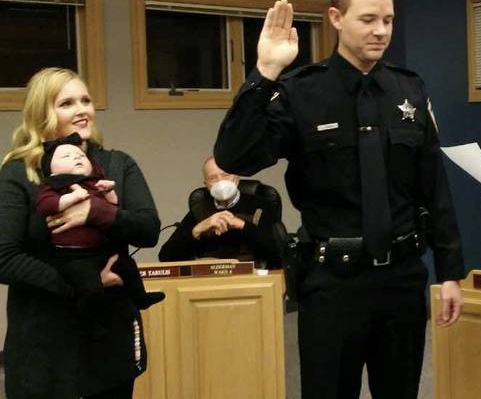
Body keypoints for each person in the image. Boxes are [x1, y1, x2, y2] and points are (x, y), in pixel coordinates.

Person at [214, 0, 465, 399]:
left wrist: (450, 272)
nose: (381, 31)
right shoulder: (300, 91)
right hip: (332, 283)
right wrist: (265, 73)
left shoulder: (409, 89)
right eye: (368, 19)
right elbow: (235, 157)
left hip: (402, 280)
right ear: (336, 17)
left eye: (388, 19)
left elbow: (433, 186)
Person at [0, 67, 161, 398]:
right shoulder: (19, 172)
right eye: (67, 103)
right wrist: (83, 284)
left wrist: (96, 211)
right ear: (41, 112)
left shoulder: (117, 164)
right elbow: (4, 257)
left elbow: (148, 230)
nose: (82, 110)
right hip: (43, 342)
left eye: (85, 100)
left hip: (108, 336)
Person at [37, 133, 164, 321]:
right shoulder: (53, 186)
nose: (77, 158)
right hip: (74, 256)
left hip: (101, 251)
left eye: (81, 156)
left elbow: (114, 211)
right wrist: (71, 199)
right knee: (90, 288)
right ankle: (91, 323)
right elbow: (45, 204)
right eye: (67, 156)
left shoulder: (95, 182)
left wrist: (109, 196)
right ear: (52, 170)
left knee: (129, 266)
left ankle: (141, 297)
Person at [158, 157, 284, 268]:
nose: (220, 181)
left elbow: (280, 254)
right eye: (213, 178)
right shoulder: (198, 211)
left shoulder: (260, 206)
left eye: (225, 175)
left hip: (250, 277)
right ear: (206, 185)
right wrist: (197, 230)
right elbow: (165, 257)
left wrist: (242, 225)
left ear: (237, 177)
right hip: (207, 279)